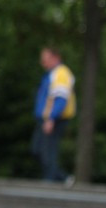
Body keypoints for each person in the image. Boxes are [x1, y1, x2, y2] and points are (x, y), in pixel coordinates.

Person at [31, 46, 76, 184]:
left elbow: (61, 99)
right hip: (46, 118)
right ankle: (62, 178)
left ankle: (50, 182)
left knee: (47, 152)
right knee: (37, 150)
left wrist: (51, 118)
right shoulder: (51, 74)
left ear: (56, 58)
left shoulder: (61, 74)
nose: (43, 62)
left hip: (54, 119)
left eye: (45, 59)